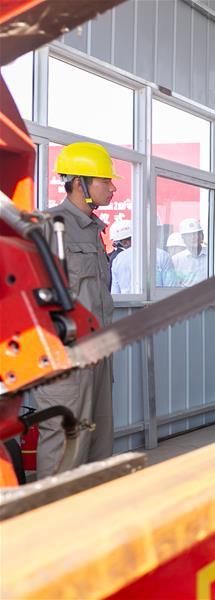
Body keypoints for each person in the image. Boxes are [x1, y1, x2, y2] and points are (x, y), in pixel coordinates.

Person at [33, 141, 117, 477]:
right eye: (105, 181)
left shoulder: (95, 231)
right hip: (67, 358)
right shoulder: (49, 226)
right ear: (80, 183)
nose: (112, 188)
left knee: (98, 438)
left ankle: (92, 506)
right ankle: (56, 508)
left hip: (98, 352)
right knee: (66, 441)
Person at [109, 219, 175, 293]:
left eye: (117, 244)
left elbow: (115, 293)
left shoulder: (118, 260)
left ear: (125, 242)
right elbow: (171, 289)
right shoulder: (161, 255)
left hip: (126, 301)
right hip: (159, 300)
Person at [171, 217, 208, 286]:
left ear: (202, 236)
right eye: (189, 235)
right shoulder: (176, 260)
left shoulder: (212, 256)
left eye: (197, 234)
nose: (194, 237)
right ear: (183, 238)